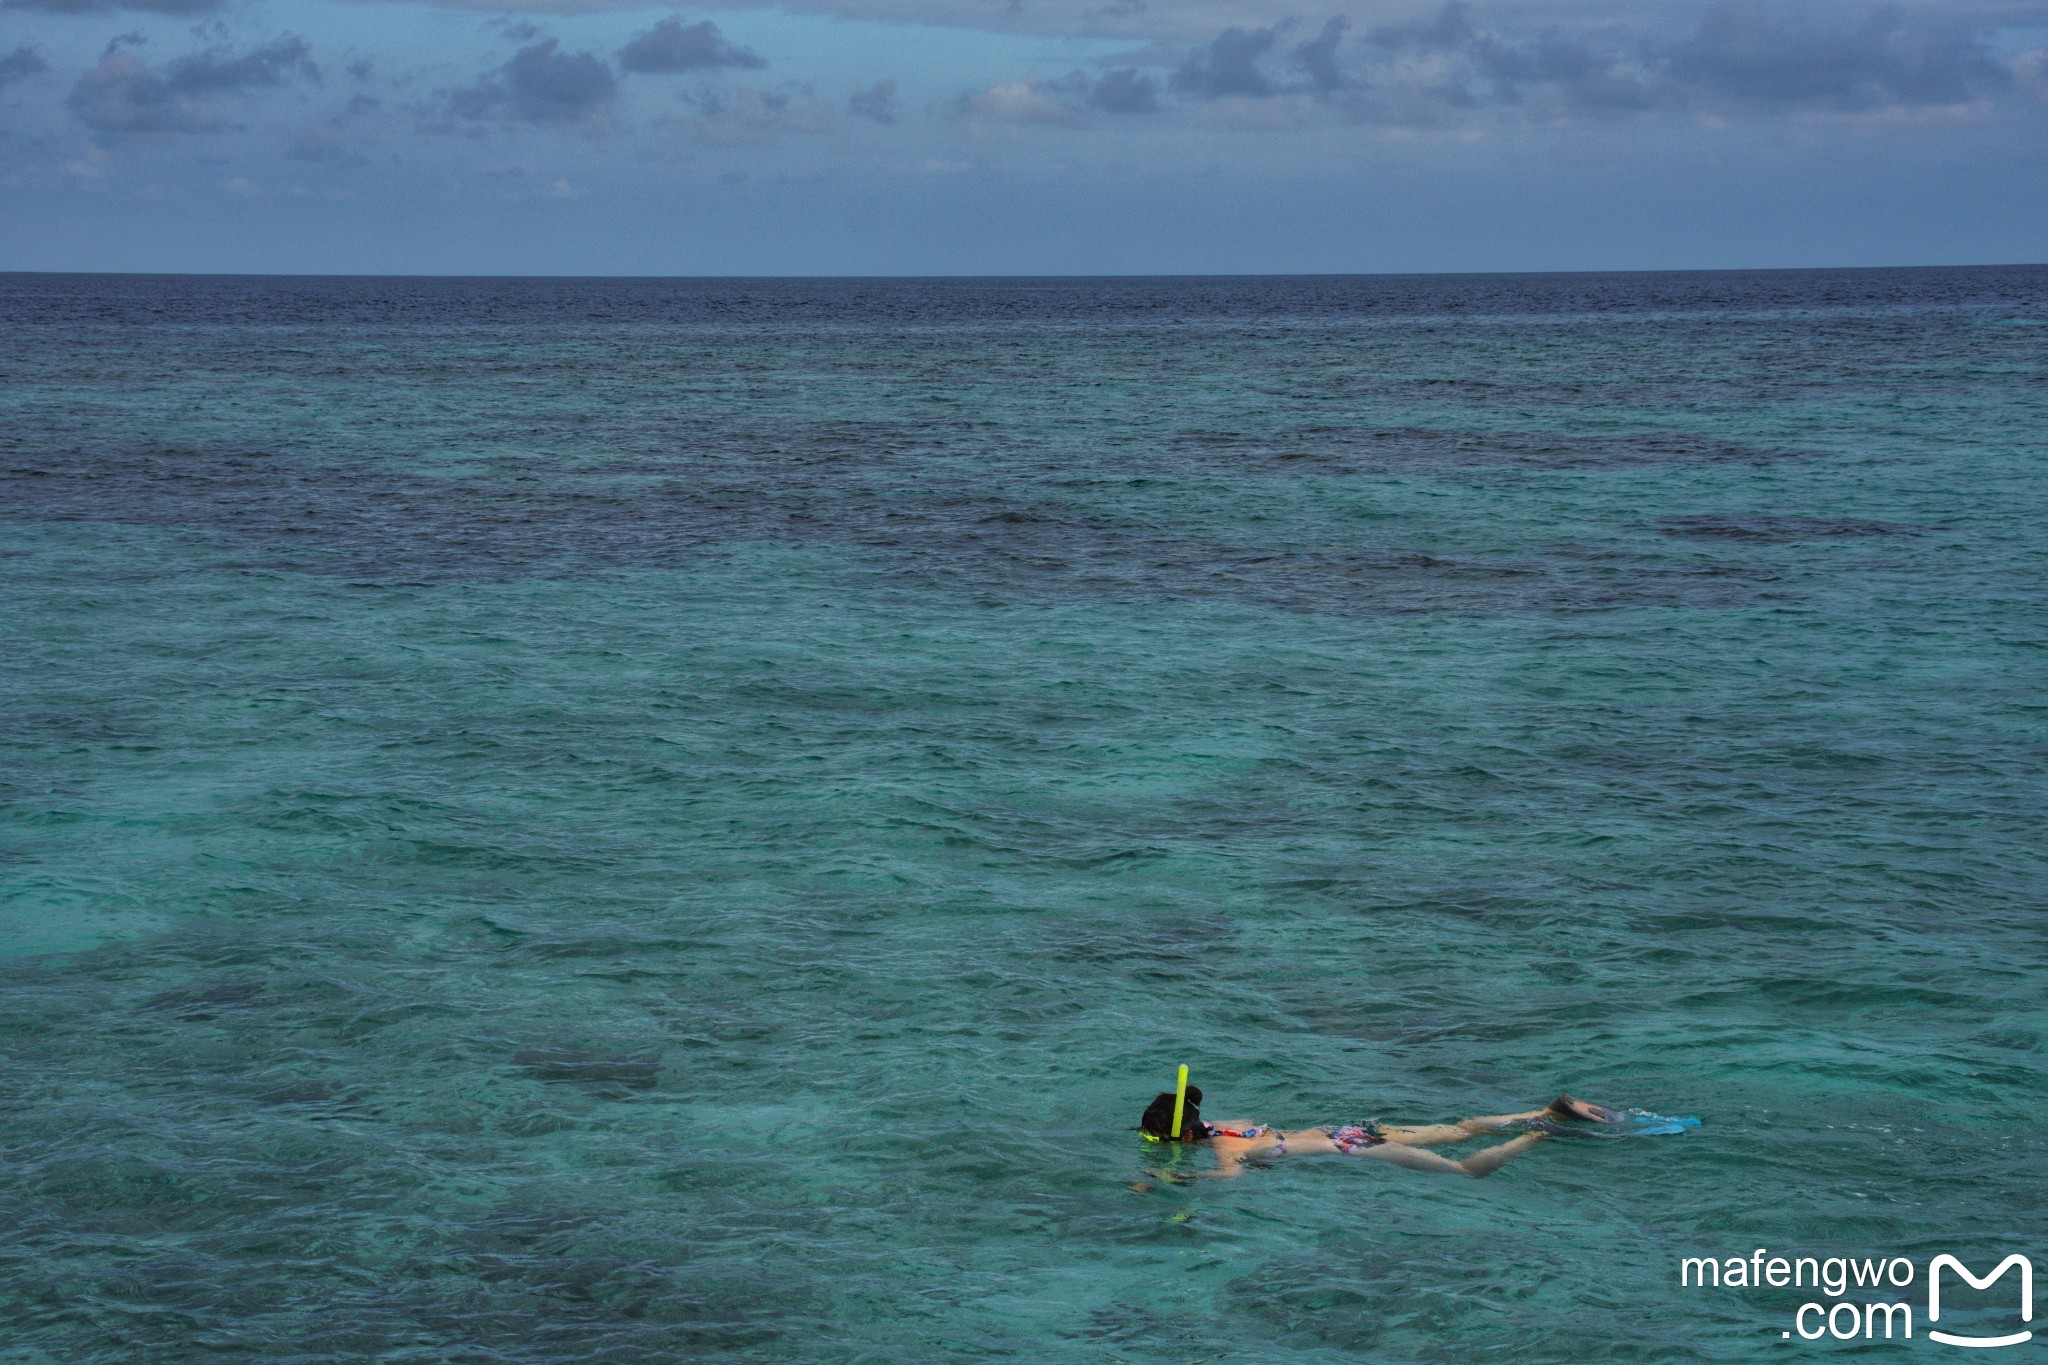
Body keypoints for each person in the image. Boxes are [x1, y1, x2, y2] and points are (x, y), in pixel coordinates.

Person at [1135, 1088, 1629, 1180]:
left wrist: (1181, 1181)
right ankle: (1543, 1109)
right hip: (1348, 1127)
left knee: (1465, 1170)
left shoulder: (1221, 1148)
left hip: (1346, 1146)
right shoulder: (1232, 1124)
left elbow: (1233, 1174)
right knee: (1459, 1131)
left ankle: (1538, 1132)